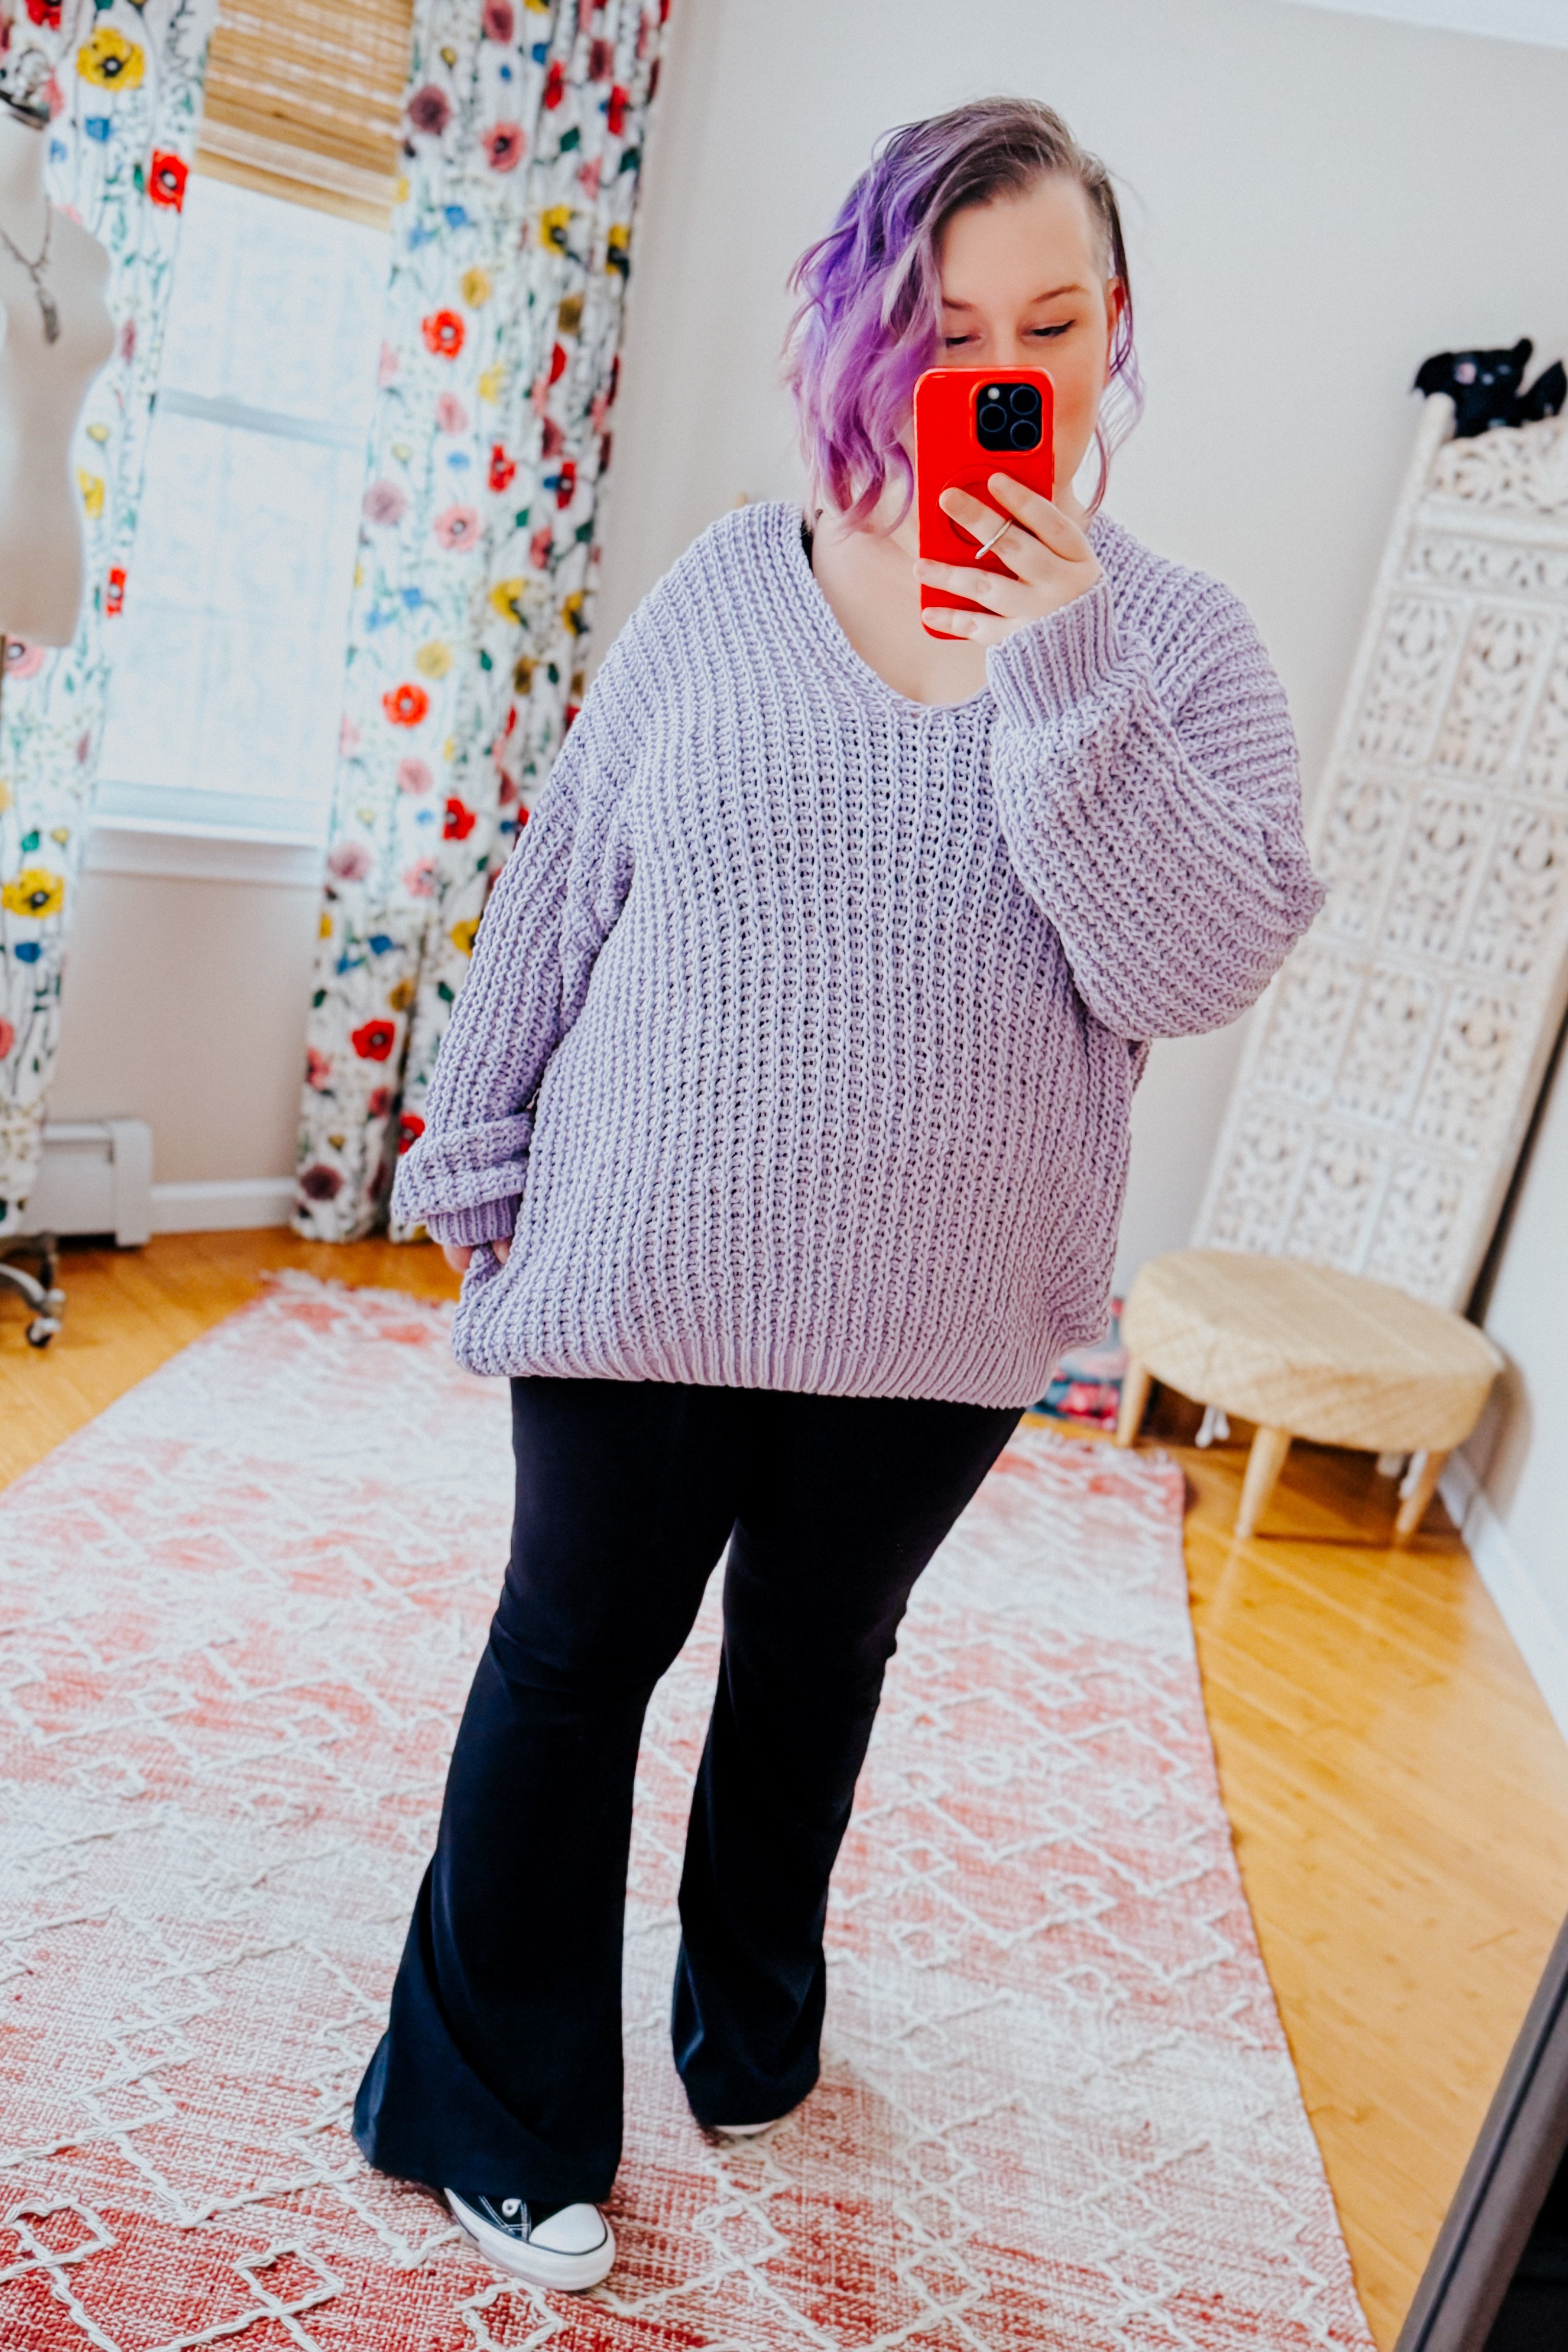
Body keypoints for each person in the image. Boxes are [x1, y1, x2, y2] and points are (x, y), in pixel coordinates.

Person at [355, 96, 1324, 2292]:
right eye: (949, 322)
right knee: (572, 1655)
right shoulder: (727, 578)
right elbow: (569, 873)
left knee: (813, 1661)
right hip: (643, 1255)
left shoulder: (1181, 649)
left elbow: (1186, 964)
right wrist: (476, 1131)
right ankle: (492, 2099)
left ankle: (748, 2015)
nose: (1002, 364)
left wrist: (1059, 666)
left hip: (947, 1304)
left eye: (1050, 322)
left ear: (1111, 332)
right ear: (875, 339)